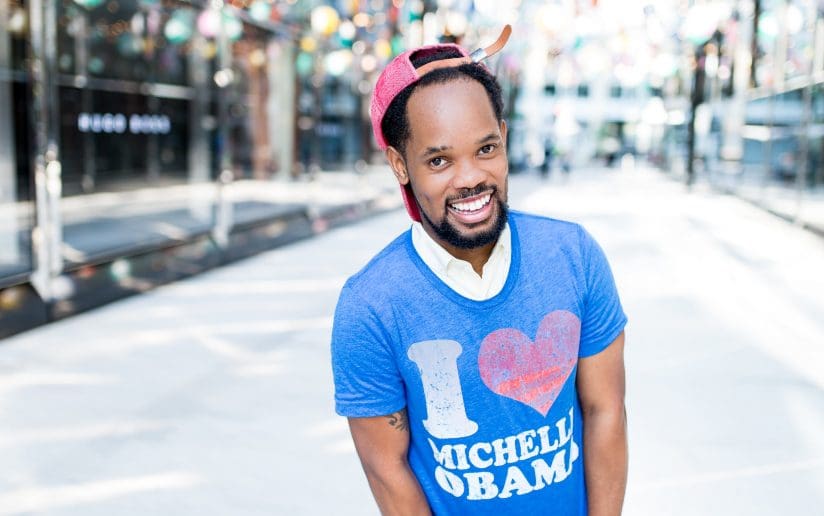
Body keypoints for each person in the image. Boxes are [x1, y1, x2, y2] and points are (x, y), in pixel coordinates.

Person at [331, 26, 627, 515]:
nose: (470, 178)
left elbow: (605, 412)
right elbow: (387, 470)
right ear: (400, 165)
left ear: (505, 140)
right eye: (440, 159)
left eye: (486, 149)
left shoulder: (574, 256)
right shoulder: (370, 306)